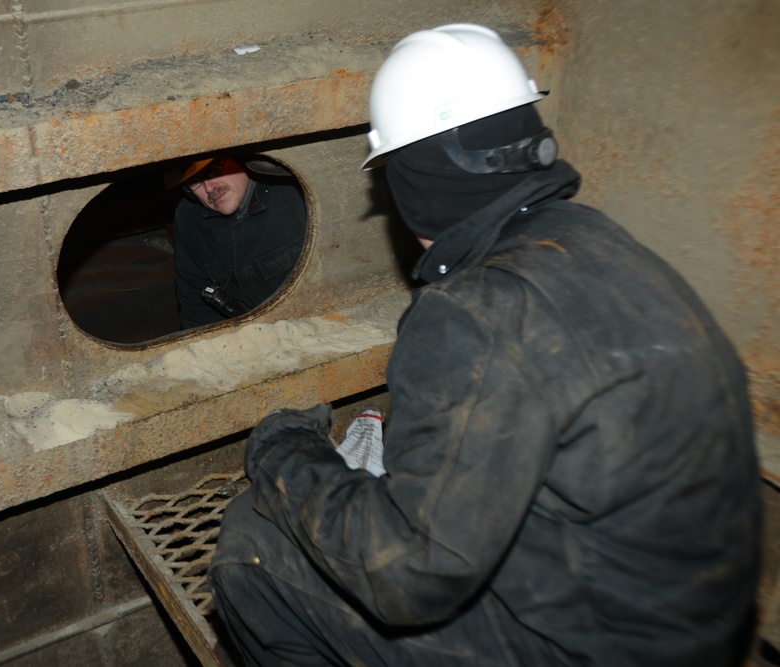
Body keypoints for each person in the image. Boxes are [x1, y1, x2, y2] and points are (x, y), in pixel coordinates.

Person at [208, 23, 762, 666]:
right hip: (689, 623)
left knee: (252, 542)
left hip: (600, 650)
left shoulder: (474, 310)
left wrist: (283, 448)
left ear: (411, 178)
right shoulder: (600, 243)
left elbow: (405, 575)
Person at [165, 156, 307, 328]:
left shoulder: (293, 189)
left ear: (239, 158)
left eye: (213, 170)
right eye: (195, 181)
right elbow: (195, 303)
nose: (210, 188)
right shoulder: (189, 218)